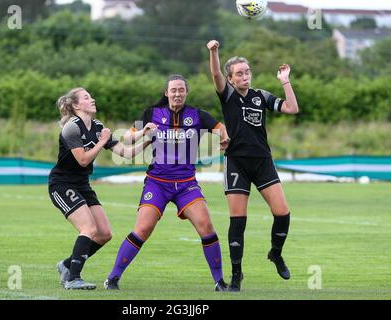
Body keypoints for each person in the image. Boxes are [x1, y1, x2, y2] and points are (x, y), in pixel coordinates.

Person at [103, 75, 231, 292]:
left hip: (186, 184)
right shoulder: (152, 113)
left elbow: (220, 128)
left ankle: (219, 282)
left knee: (206, 227)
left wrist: (224, 138)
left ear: (186, 92)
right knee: (142, 229)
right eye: (173, 90)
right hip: (157, 183)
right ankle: (113, 278)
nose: (177, 94)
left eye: (181, 90)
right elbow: (126, 139)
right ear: (166, 93)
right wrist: (143, 132)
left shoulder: (197, 115)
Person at [206, 40, 299, 292]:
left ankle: (276, 253)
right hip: (237, 162)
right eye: (239, 74)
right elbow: (214, 73)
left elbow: (292, 108)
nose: (245, 77)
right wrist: (214, 52)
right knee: (238, 221)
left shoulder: (261, 96)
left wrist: (285, 81)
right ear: (230, 78)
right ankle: (236, 277)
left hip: (262, 162)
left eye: (247, 72)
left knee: (283, 213)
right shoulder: (228, 96)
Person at [49, 87, 154, 290]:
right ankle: (73, 278)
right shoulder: (72, 127)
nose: (93, 99)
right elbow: (82, 160)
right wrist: (103, 141)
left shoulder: (98, 127)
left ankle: (67, 265)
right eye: (87, 97)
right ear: (77, 105)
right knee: (88, 228)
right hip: (62, 184)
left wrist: (147, 138)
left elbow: (126, 153)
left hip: (82, 184)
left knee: (104, 233)